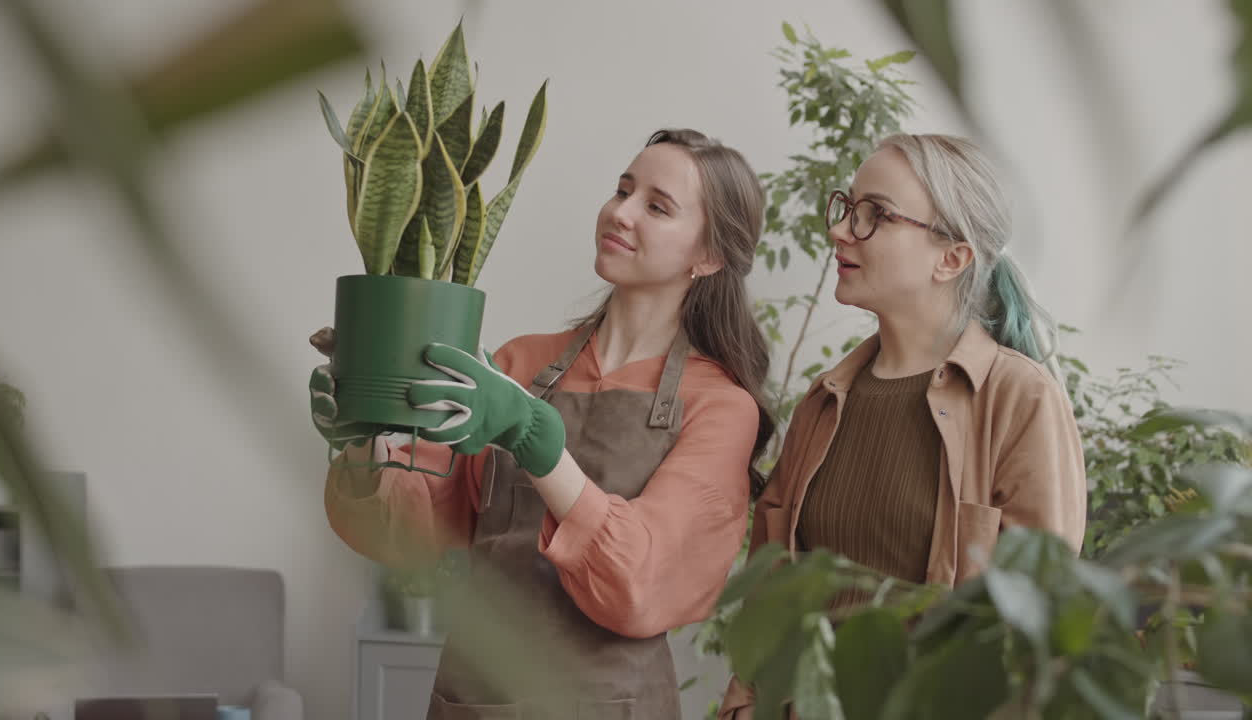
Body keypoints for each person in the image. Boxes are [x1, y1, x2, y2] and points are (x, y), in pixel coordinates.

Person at [311, 128, 775, 720]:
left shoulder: (720, 406)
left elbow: (640, 582)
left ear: (708, 256)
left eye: (656, 206)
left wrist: (537, 442)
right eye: (622, 190)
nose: (621, 212)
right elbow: (414, 527)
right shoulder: (518, 364)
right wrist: (361, 446)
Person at [719, 134, 1087, 719]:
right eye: (848, 207)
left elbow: (1040, 626)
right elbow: (769, 596)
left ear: (952, 258)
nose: (841, 231)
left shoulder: (1019, 398)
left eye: (877, 216)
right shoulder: (824, 401)